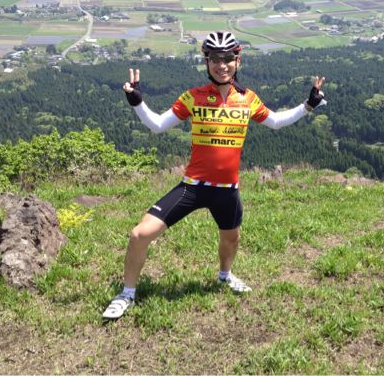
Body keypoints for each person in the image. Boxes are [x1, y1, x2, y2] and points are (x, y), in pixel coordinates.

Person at [103, 30, 326, 319]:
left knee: (231, 238)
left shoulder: (247, 99)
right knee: (139, 234)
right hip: (193, 187)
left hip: (227, 190)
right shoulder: (193, 97)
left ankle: (225, 276)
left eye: (227, 58)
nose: (222, 65)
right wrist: (137, 102)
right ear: (207, 62)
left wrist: (308, 106)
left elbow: (275, 121)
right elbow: (157, 125)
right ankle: (127, 294)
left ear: (237, 61)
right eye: (215, 59)